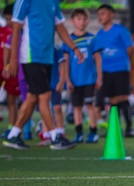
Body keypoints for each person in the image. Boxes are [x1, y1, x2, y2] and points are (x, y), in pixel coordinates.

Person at [2, 0, 83, 150]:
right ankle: (55, 137)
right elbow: (16, 28)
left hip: (47, 56)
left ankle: (13, 135)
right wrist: (13, 59)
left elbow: (60, 27)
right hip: (31, 56)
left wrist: (74, 48)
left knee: (33, 97)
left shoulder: (53, 2)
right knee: (45, 96)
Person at [93, 3, 134, 138]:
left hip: (120, 69)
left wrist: (122, 61)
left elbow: (130, 48)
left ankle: (129, 127)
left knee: (122, 96)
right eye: (99, 14)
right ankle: (114, 128)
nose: (101, 17)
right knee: (112, 99)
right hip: (106, 71)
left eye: (103, 13)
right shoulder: (99, 34)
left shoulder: (121, 30)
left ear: (112, 15)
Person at [62, 8, 101, 144]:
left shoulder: (92, 39)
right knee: (76, 106)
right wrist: (66, 79)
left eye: (84, 19)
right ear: (72, 21)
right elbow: (65, 61)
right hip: (74, 79)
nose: (82, 22)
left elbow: (98, 59)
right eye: (79, 19)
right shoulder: (68, 40)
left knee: (90, 105)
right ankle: (79, 133)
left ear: (88, 21)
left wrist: (99, 77)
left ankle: (93, 132)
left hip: (89, 78)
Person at [0, 4, 20, 139]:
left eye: (10, 18)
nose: (9, 22)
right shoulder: (3, 33)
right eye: (6, 19)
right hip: (2, 70)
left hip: (12, 72)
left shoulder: (14, 34)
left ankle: (12, 128)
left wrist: (7, 66)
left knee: (12, 100)